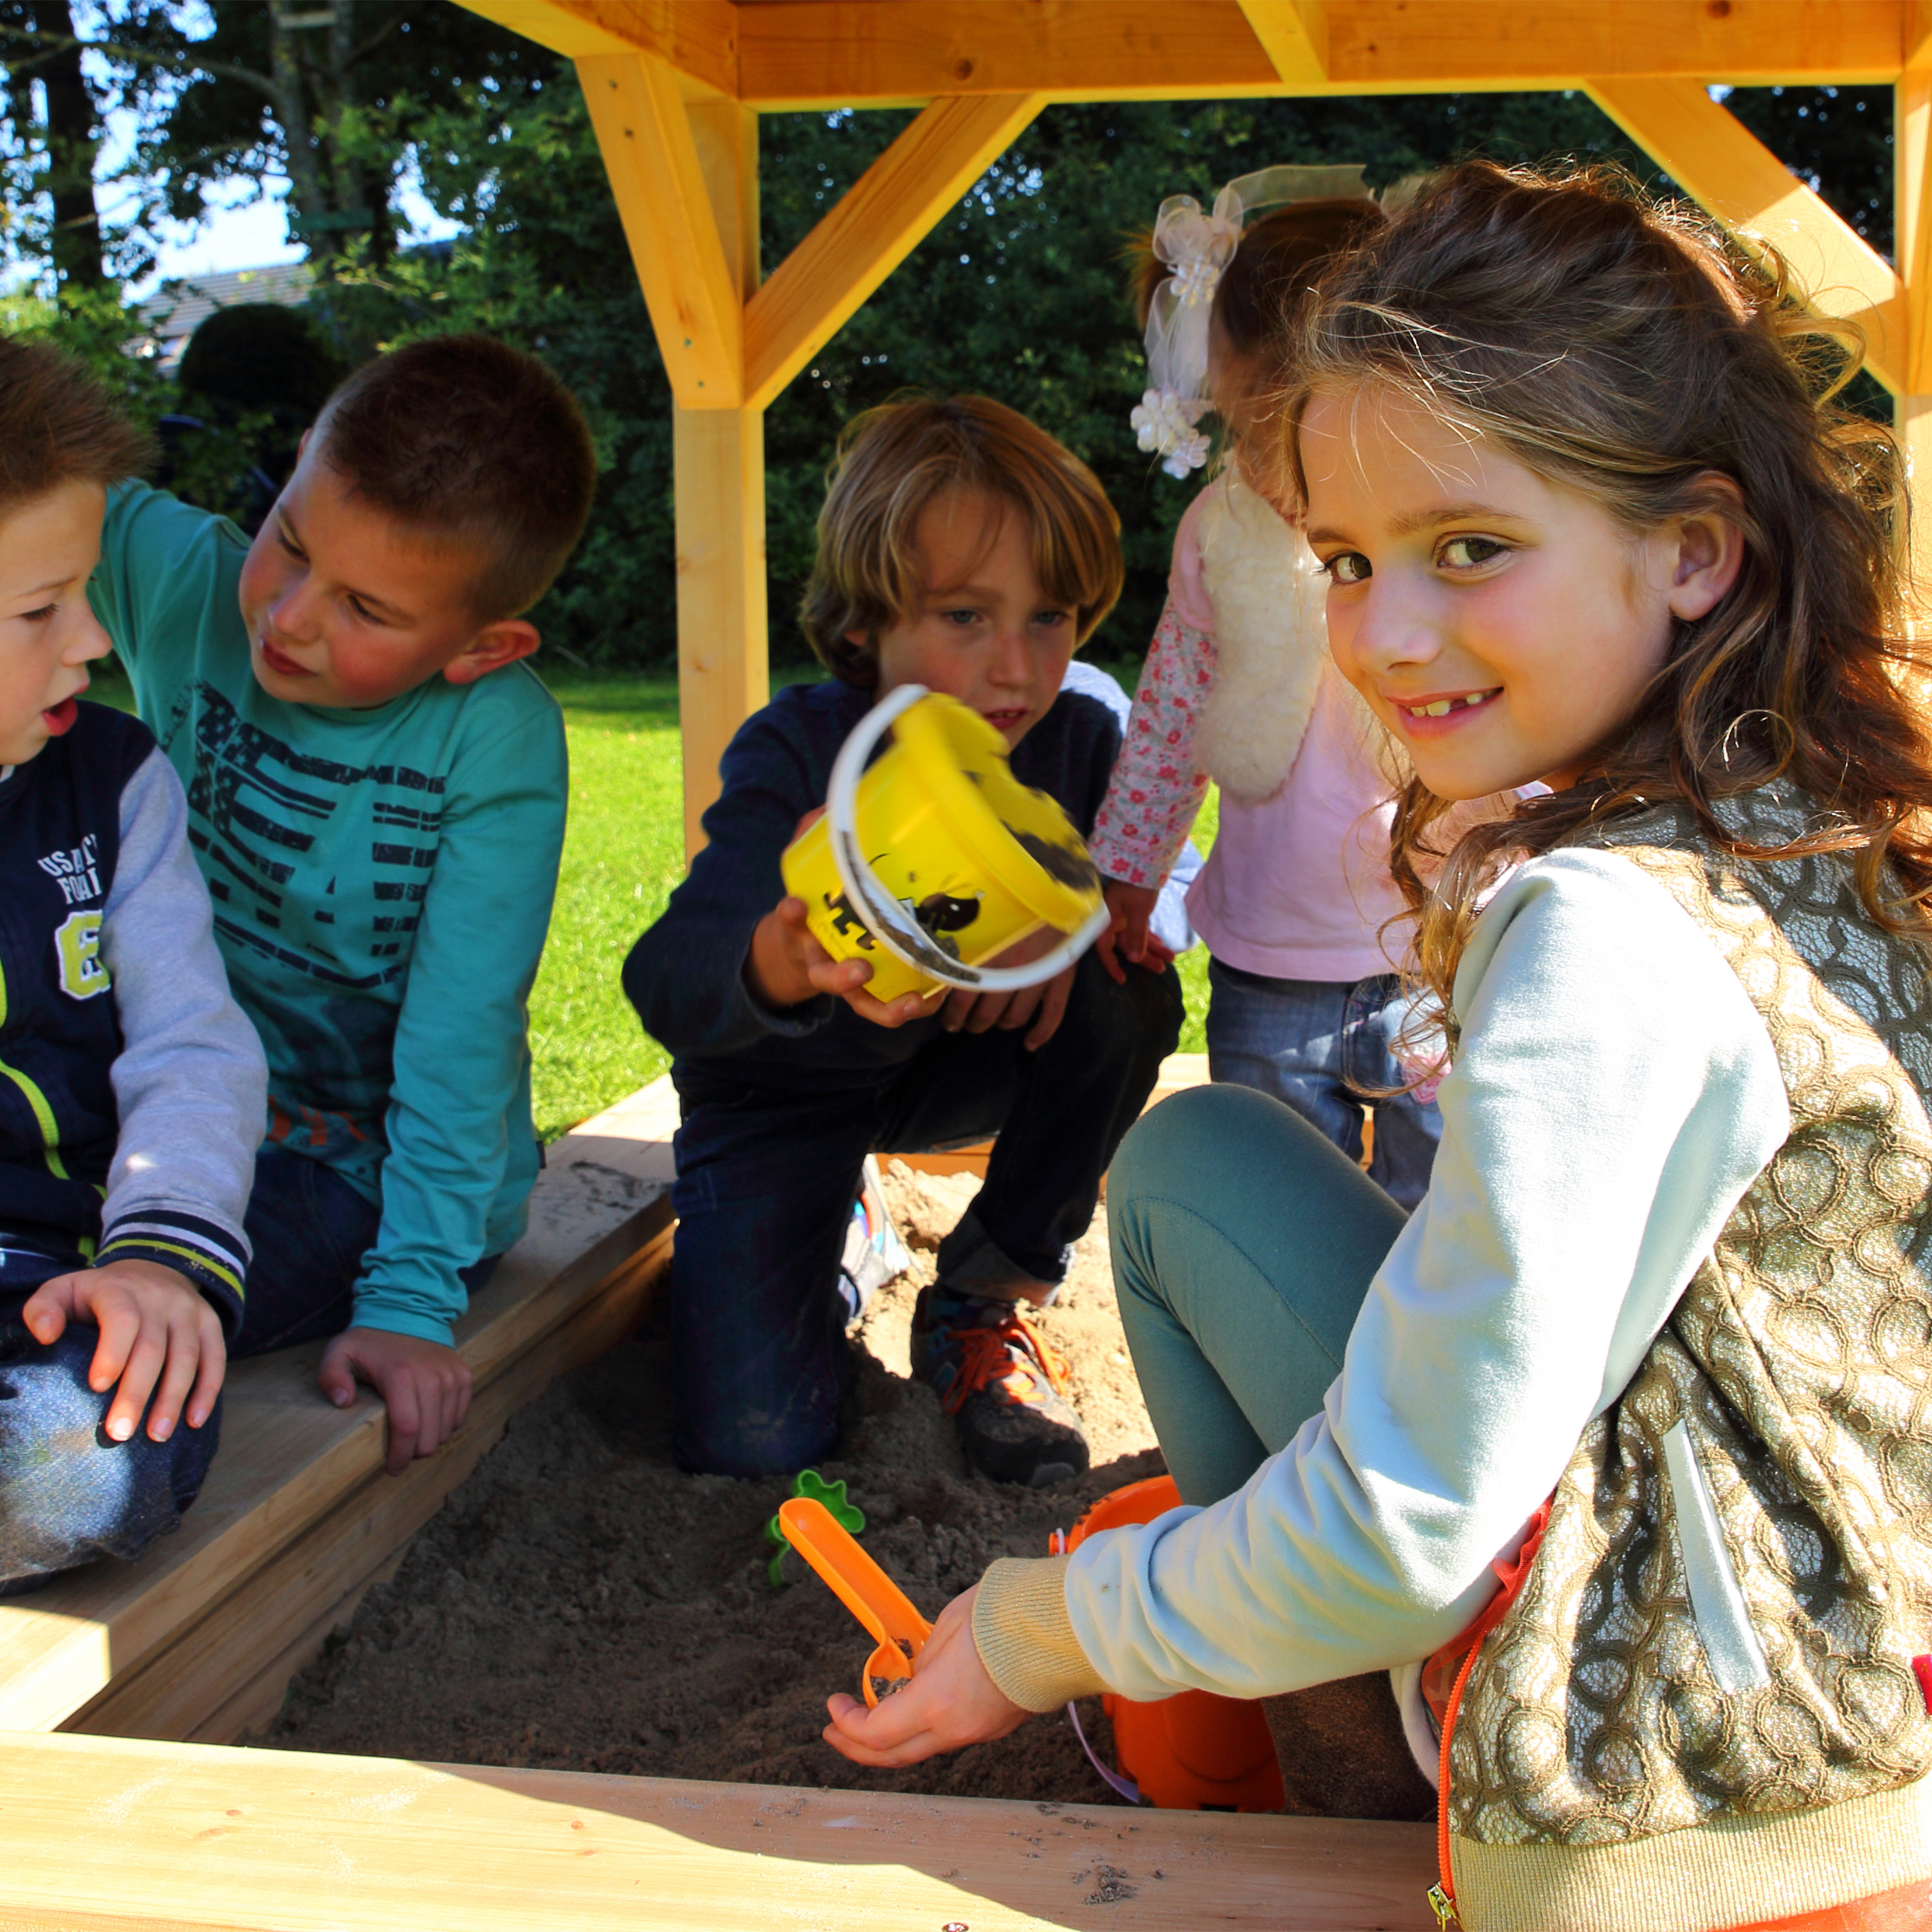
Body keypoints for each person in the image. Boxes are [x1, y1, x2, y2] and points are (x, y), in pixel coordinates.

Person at [817, 161, 1932, 1931]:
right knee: (1196, 1160)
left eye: (1471, 549)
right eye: (1345, 560)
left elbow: (1411, 1524)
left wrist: (1037, 1633)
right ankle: (1287, 1666)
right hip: (1873, 1642)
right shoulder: (1822, 819)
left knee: (1218, 1492)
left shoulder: (1608, 934)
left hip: (1684, 1805)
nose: (1383, 637)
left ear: (1695, 549)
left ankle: (1288, 1701)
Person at [625, 395, 1182, 1488]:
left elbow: (1144, 920)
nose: (1019, 670)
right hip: (778, 1093)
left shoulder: (1076, 740)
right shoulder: (802, 751)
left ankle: (982, 1299)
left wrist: (1070, 940)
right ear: (864, 624)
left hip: (955, 1069)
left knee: (1127, 989)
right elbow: (664, 981)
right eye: (966, 618)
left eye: (1051, 616)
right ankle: (854, 1236)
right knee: (755, 1442)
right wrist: (777, 962)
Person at [89, 335, 596, 1477]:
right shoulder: (183, 577)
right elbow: (39, 483)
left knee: (117, 1324)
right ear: (304, 457)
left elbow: (462, 1035)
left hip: (361, 1170)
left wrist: (411, 1301)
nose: (290, 616)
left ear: (480, 647)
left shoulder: (494, 739)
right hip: (170, 1099)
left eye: (366, 608)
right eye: (292, 540)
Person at [1095, 168, 1447, 1208]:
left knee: (1455, 1213)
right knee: (1281, 1204)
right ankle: (1303, 1367)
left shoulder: (1452, 532)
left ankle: (1420, 1374)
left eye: (1289, 427)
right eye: (1243, 430)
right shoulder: (1221, 531)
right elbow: (1170, 709)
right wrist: (1129, 870)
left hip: (1441, 946)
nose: (1265, 462)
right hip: (1270, 951)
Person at [0, 340, 265, 1589]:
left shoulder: (114, 784)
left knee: (101, 1455)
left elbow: (191, 1045)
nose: (94, 641)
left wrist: (160, 1261)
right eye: (40, 610)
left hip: (52, 1285)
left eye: (87, 592)